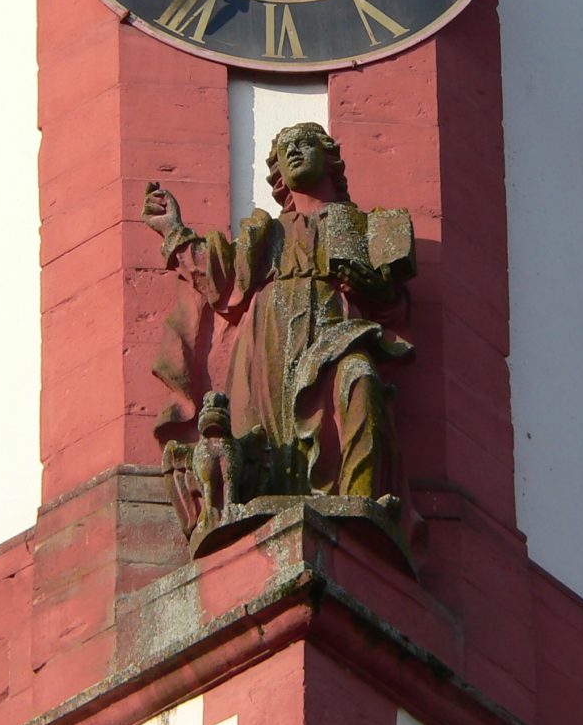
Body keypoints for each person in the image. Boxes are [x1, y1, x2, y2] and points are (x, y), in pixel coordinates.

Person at [142, 123, 413, 501]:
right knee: (269, 437)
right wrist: (174, 231)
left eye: (305, 144)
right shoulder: (267, 232)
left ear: (329, 157)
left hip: (337, 332)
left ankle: (358, 501)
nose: (295, 153)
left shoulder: (366, 225)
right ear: (279, 175)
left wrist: (369, 284)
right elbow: (220, 278)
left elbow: (394, 303)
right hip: (268, 338)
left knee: (361, 381)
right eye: (286, 151)